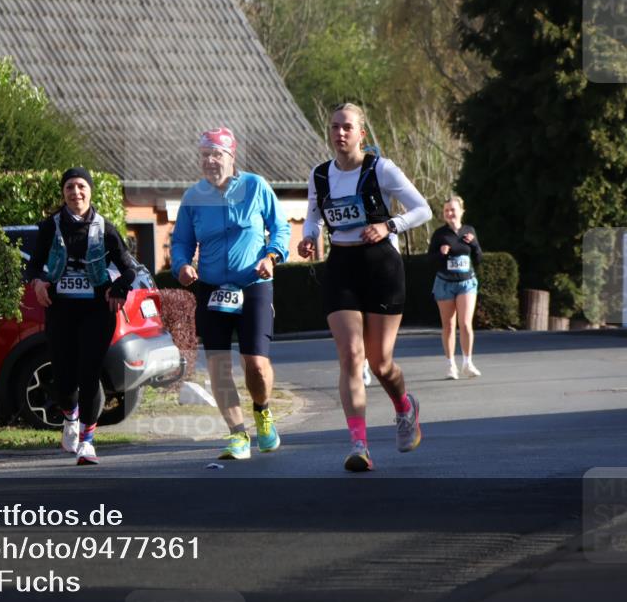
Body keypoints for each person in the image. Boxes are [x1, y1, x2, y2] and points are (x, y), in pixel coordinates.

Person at [297, 103, 432, 472]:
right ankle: (359, 444)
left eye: (347, 128)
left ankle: (405, 407)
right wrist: (310, 237)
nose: (339, 133)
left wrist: (390, 226)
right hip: (341, 266)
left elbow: (423, 209)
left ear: (362, 134)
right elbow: (314, 215)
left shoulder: (381, 168)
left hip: (381, 267)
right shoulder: (320, 174)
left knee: (381, 363)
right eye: (334, 127)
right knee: (351, 357)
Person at [171, 127, 291, 460]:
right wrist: (181, 264)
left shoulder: (255, 186)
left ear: (231, 157)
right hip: (211, 289)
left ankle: (263, 412)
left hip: (253, 284)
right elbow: (180, 241)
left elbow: (280, 226)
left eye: (217, 154)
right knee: (218, 366)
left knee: (255, 364)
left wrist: (272, 256)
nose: (210, 161)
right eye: (204, 155)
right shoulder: (193, 197)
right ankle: (237, 433)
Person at [26, 167, 138, 465]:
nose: (75, 193)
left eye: (81, 187)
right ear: (63, 193)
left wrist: (118, 289)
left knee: (89, 375)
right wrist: (37, 282)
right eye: (69, 188)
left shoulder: (106, 228)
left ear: (90, 191)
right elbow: (33, 265)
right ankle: (70, 417)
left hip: (96, 312)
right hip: (61, 309)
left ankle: (87, 441)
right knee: (64, 377)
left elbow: (129, 269)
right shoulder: (50, 227)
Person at [429, 196, 482, 379]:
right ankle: (451, 365)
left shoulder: (469, 231)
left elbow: (478, 258)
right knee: (449, 325)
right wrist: (441, 254)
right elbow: (430, 260)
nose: (450, 213)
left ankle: (468, 363)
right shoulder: (440, 234)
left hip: (466, 283)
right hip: (445, 283)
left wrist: (474, 244)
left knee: (466, 323)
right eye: (446, 211)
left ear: (461, 211)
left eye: (453, 209)